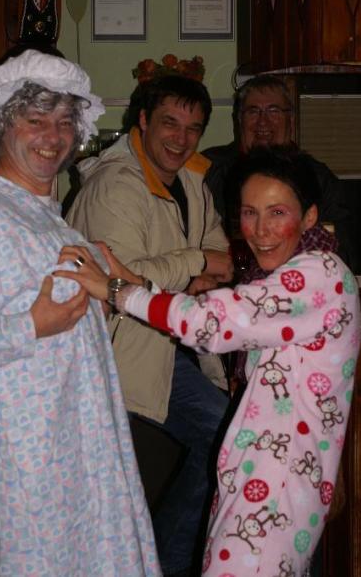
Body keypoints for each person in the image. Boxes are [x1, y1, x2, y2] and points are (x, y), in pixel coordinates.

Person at [59, 144, 360, 576]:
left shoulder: (319, 274)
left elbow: (210, 323)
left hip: (273, 490)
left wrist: (116, 291)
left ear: (310, 216)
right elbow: (230, 316)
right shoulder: (294, 276)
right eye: (249, 212)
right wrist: (136, 284)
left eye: (277, 212)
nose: (260, 230)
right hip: (265, 478)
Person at [0, 49, 161, 576]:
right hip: (18, 469)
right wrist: (32, 325)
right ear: (1, 127)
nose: (52, 136)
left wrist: (110, 292)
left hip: (71, 451)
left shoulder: (47, 219)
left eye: (64, 122)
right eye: (35, 120)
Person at [66, 74, 233, 576]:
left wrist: (191, 270)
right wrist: (192, 264)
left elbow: (221, 257)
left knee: (228, 437)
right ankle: (165, 562)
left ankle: (162, 560)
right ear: (142, 120)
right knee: (229, 437)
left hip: (172, 341)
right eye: (169, 123)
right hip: (127, 351)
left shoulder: (192, 181)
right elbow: (120, 281)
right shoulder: (114, 185)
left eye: (193, 128)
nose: (181, 139)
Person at [203, 74, 358, 271]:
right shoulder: (208, 170)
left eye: (273, 111)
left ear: (290, 120)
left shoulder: (318, 178)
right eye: (253, 111)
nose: (263, 122)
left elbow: (343, 252)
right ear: (239, 120)